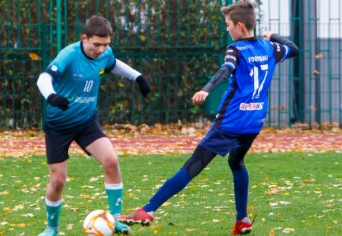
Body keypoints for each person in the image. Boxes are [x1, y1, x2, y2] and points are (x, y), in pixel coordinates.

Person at [119, 0, 298, 235]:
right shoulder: (269, 48)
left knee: (193, 165)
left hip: (231, 122)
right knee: (236, 162)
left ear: (240, 25)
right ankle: (242, 220)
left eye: (228, 25)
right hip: (254, 121)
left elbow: (226, 69)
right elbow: (293, 48)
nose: (227, 29)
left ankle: (149, 209)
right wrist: (273, 34)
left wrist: (206, 89)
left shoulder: (236, 49)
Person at [36, 15, 151, 236]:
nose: (101, 49)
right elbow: (43, 78)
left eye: (106, 44)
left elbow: (113, 64)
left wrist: (137, 77)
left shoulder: (105, 54)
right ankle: (51, 228)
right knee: (58, 180)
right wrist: (51, 97)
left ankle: (115, 221)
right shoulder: (69, 55)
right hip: (59, 124)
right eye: (96, 44)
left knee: (111, 161)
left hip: (86, 121)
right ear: (84, 38)